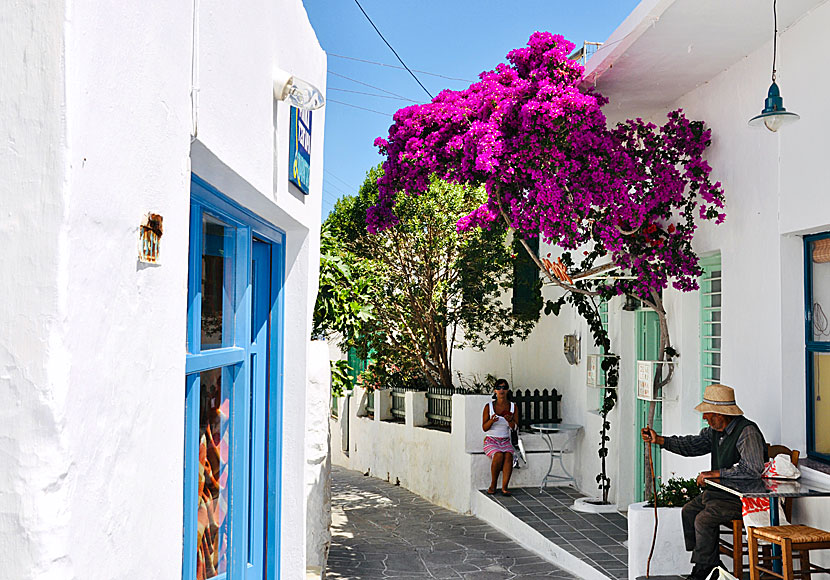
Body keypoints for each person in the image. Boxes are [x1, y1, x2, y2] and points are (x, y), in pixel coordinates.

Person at [641, 384, 767, 580]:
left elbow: (752, 470)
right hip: (720, 494)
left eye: (708, 413)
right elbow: (692, 445)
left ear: (721, 413)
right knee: (689, 512)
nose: (704, 417)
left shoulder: (747, 432)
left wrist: (716, 474)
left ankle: (702, 570)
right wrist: (661, 441)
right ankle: (710, 563)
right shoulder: (715, 431)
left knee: (704, 519)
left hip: (743, 501)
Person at [482, 378, 519, 496]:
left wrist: (510, 421)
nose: (501, 390)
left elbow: (515, 427)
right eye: (498, 388)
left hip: (505, 440)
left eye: (504, 388)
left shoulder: (513, 407)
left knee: (508, 456)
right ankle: (493, 485)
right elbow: (484, 428)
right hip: (491, 440)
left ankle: (504, 487)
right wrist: (491, 421)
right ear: (495, 391)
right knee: (498, 455)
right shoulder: (489, 407)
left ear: (507, 390)